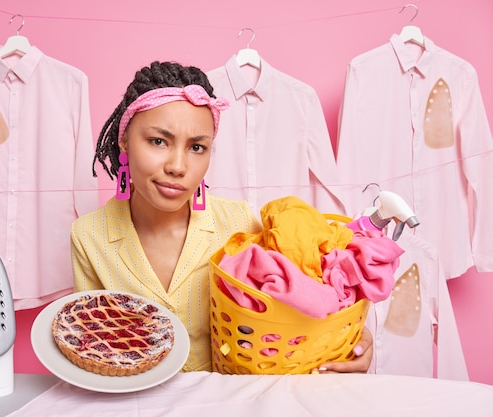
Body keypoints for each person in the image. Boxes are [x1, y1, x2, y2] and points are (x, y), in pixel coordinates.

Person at [71, 61, 372, 373]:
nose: (178, 166)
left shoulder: (239, 225)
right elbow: (93, 345)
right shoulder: (88, 235)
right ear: (124, 141)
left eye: (197, 147)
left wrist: (348, 337)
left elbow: (294, 311)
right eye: (158, 141)